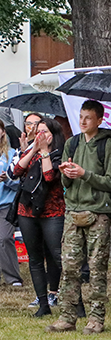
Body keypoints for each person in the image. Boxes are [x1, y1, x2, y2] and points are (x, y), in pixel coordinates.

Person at [47, 100, 111, 334]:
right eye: (81, 116)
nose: (83, 121)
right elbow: (66, 183)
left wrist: (85, 174)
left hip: (98, 212)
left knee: (97, 267)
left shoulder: (107, 145)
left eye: (88, 117)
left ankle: (96, 318)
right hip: (73, 211)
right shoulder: (72, 143)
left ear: (100, 120)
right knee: (69, 267)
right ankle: (67, 316)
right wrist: (66, 173)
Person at [12, 117, 67, 317]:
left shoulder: (59, 154)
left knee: (57, 255)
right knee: (34, 259)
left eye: (46, 131)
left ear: (55, 134)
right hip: (27, 211)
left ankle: (72, 300)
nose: (41, 135)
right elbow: (17, 170)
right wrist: (33, 149)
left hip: (52, 211)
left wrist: (44, 151)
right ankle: (43, 304)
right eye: (39, 130)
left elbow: (49, 176)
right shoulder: (32, 151)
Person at [0, 120, 23, 287]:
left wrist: (7, 179)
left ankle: (12, 277)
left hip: (5, 205)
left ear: (3, 132)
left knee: (5, 237)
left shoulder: (12, 154)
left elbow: (20, 183)